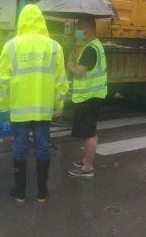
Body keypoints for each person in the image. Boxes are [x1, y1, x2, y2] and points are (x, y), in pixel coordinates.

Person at [0, 4, 68, 203]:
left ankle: (19, 193)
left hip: (19, 109)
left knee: (20, 147)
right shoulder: (54, 46)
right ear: (41, 20)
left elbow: (0, 80)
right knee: (43, 147)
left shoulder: (11, 45)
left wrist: (5, 104)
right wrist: (58, 104)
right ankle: (42, 193)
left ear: (22, 20)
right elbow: (61, 80)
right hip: (44, 109)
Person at [67, 18, 107, 178]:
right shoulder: (94, 45)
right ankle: (86, 160)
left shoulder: (91, 48)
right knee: (90, 130)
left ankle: (87, 168)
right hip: (93, 96)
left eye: (79, 27)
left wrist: (70, 63)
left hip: (89, 97)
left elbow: (79, 71)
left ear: (88, 29)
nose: (77, 30)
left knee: (89, 133)